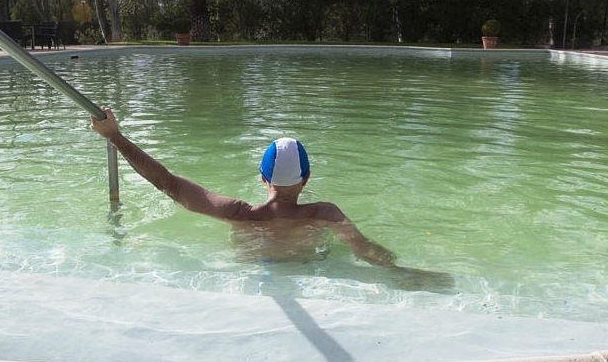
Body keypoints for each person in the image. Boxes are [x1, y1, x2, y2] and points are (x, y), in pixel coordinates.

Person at [90, 107, 396, 266]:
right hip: (309, 271)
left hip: (251, 273)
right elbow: (368, 252)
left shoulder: (239, 214)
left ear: (262, 178)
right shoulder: (325, 214)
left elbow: (168, 184)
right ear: (307, 178)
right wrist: (405, 272)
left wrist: (115, 137)